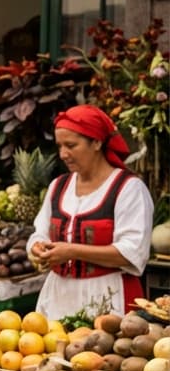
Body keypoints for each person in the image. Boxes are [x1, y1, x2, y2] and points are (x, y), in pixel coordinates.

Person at [28, 104, 154, 318]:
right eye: (59, 146)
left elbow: (132, 252)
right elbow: (39, 232)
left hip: (109, 298)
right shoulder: (58, 186)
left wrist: (72, 251)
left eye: (71, 145)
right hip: (59, 296)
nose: (63, 154)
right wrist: (37, 247)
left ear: (96, 142)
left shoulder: (128, 189)